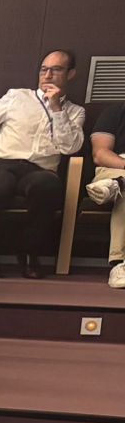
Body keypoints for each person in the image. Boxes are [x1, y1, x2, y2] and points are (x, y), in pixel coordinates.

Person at [0, 49, 85, 279]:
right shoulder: (16, 96)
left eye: (56, 70)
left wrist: (57, 108)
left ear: (70, 74)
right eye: (44, 70)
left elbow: (70, 147)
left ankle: (30, 253)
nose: (47, 75)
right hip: (3, 163)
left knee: (47, 187)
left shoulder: (74, 112)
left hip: (40, 169)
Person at [84, 102, 125, 289]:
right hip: (117, 164)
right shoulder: (115, 111)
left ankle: (116, 185)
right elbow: (100, 154)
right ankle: (120, 263)